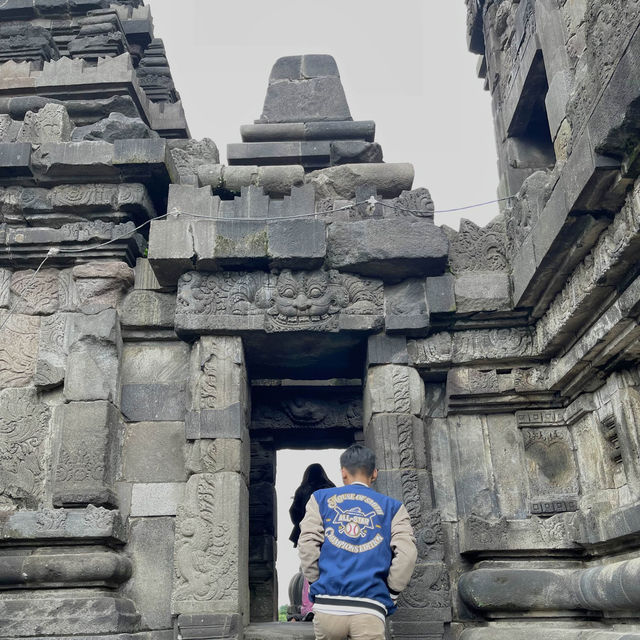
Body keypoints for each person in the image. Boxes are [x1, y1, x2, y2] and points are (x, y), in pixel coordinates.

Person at [298, 444, 417, 640]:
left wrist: (317, 581)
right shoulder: (394, 508)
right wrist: (392, 592)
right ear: (375, 473)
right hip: (370, 608)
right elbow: (407, 554)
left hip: (328, 607)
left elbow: (308, 543)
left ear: (343, 473)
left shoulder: (320, 499)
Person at [289, 463, 336, 621]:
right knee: (330, 569)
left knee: (308, 567)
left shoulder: (302, 490)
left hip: (307, 533)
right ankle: (330, 605)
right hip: (330, 534)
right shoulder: (331, 488)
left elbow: (294, 512)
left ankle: (309, 606)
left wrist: (303, 522)